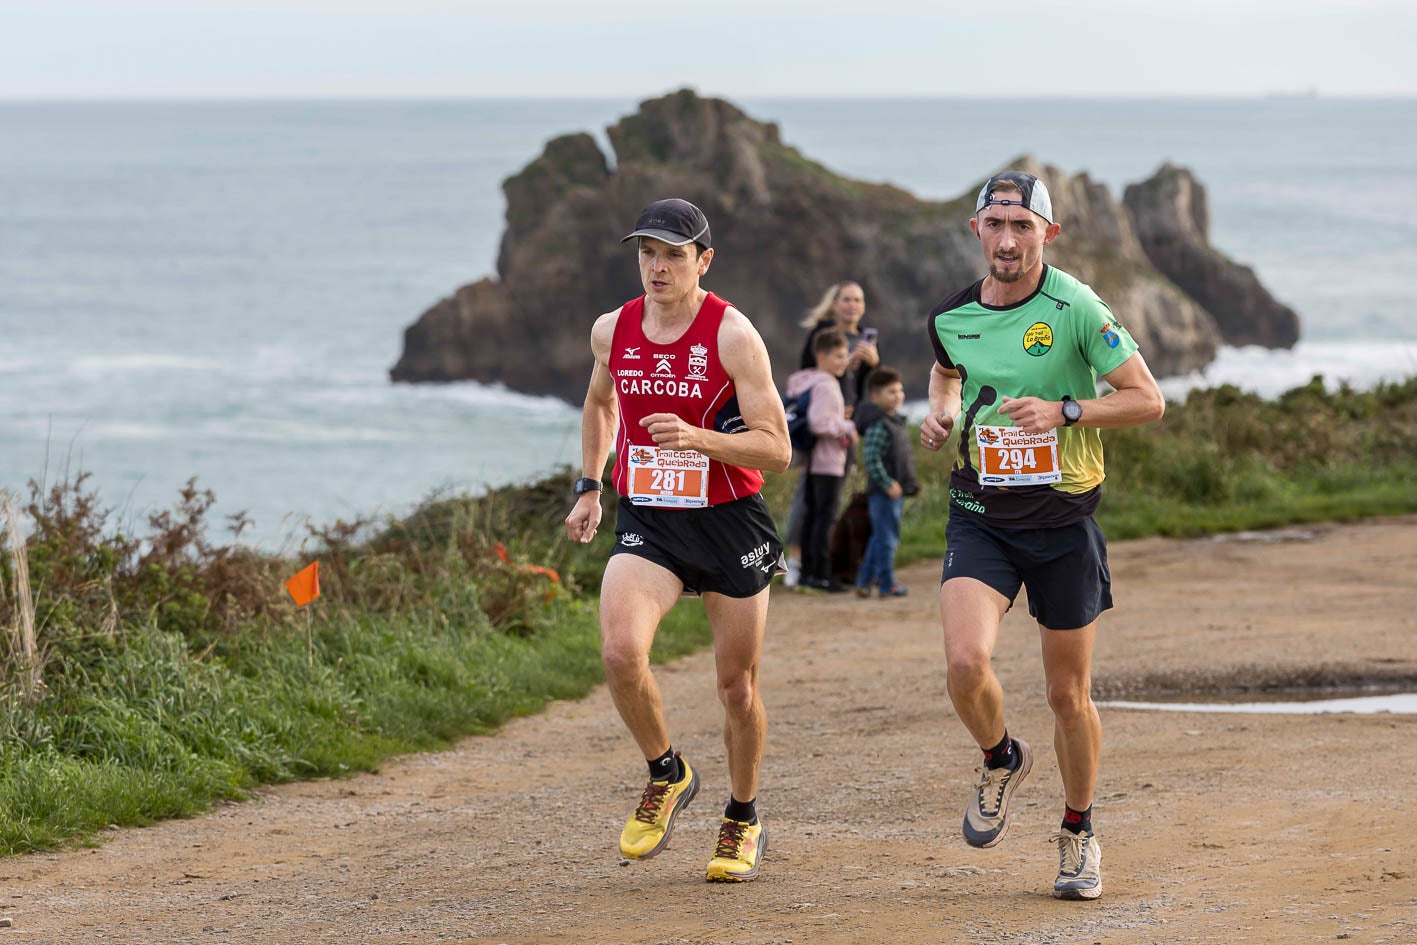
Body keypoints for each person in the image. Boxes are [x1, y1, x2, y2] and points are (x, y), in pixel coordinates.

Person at [918, 171, 1165, 901]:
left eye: (1022, 225)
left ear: (1046, 235)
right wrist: (939, 413)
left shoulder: (1076, 306)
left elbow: (1145, 399)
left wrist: (1065, 411)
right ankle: (999, 757)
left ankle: (1078, 831)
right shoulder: (950, 316)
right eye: (994, 223)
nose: (1006, 238)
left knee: (1066, 695)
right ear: (975, 230)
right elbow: (944, 373)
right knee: (964, 662)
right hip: (980, 516)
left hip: (1062, 523)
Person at [564, 197, 791, 883]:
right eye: (646, 254)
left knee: (735, 688)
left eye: (672, 255)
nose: (657, 267)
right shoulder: (613, 329)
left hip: (729, 521)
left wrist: (700, 439)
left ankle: (743, 814)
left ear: (703, 260)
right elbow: (601, 402)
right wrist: (589, 483)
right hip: (650, 519)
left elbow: (777, 448)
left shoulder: (732, 335)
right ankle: (667, 770)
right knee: (619, 650)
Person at [783, 281, 879, 586]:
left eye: (858, 299)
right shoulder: (822, 341)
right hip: (829, 440)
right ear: (835, 303)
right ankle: (805, 567)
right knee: (817, 509)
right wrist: (846, 424)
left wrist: (870, 365)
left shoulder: (863, 340)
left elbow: (865, 387)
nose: (852, 305)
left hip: (836, 439)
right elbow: (817, 394)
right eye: (847, 299)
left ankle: (815, 568)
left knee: (822, 508)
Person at [783, 329, 858, 592]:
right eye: (838, 356)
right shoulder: (826, 384)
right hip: (828, 462)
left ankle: (808, 573)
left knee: (813, 517)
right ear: (822, 355)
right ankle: (821, 575)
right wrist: (847, 426)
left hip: (814, 462)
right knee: (824, 519)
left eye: (845, 355)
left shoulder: (806, 381)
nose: (844, 361)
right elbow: (819, 423)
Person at [852, 366, 918, 598]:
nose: (898, 395)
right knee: (887, 539)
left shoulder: (894, 421)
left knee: (880, 537)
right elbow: (871, 458)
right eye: (891, 391)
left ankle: (864, 581)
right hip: (884, 492)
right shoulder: (878, 424)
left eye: (899, 390)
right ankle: (886, 583)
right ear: (875, 396)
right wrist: (887, 483)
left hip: (894, 490)